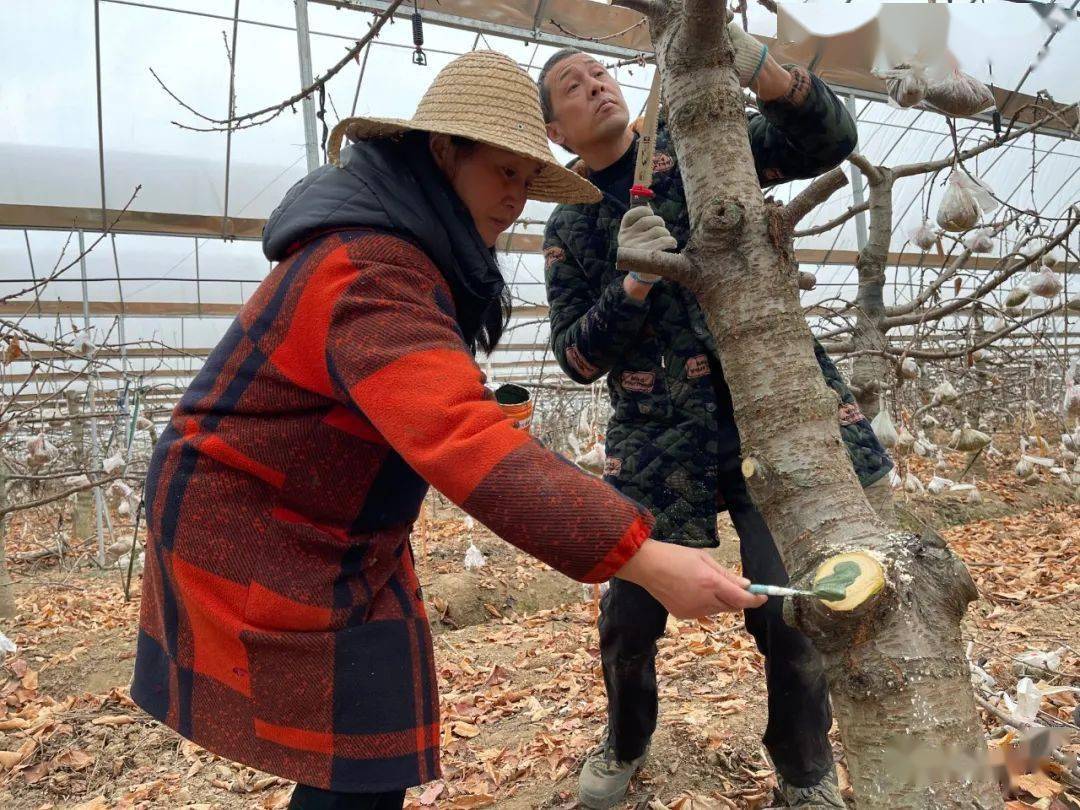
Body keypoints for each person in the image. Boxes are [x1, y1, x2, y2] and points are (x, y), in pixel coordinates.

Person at [129, 51, 765, 810]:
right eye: (503, 173)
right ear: (442, 152)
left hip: (333, 517)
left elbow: (430, 408)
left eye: (529, 182)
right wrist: (644, 556)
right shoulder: (371, 268)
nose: (516, 199)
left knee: (375, 731)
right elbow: (460, 439)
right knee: (361, 749)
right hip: (258, 522)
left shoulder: (400, 252)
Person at [538, 27, 895, 810]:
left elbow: (830, 137)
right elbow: (576, 359)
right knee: (628, 617)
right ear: (555, 131)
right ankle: (626, 741)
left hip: (770, 416)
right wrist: (628, 289)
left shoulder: (698, 149)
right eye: (573, 83)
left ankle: (804, 772)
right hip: (657, 442)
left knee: (793, 615)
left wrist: (763, 70)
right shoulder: (568, 225)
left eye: (600, 69)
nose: (595, 82)